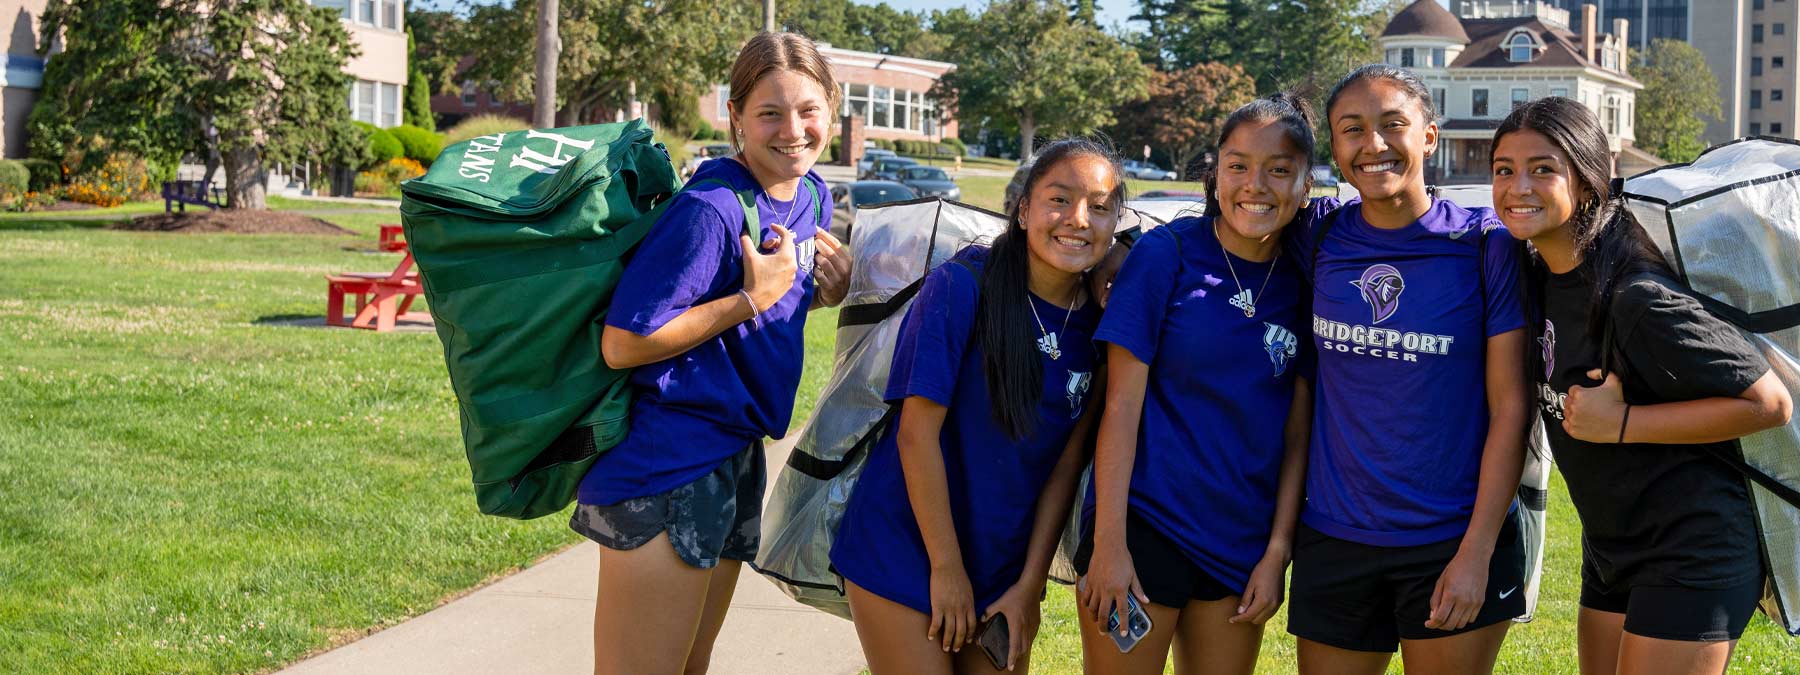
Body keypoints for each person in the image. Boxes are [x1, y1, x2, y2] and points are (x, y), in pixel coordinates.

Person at [572, 32, 852, 675]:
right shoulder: (711, 207)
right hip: (668, 461)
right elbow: (624, 343)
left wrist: (816, 295)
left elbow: (757, 304)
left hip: (735, 453)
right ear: (736, 118)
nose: (792, 130)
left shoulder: (810, 197)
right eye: (770, 113)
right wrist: (750, 300)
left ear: (832, 112)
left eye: (809, 110)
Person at [1491, 96, 1792, 675]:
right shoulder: (1534, 277)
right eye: (1504, 169)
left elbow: (1768, 403)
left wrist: (1620, 424)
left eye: (1542, 169)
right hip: (1611, 544)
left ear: (1588, 183)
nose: (1517, 186)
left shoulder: (1635, 297)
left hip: (1693, 548)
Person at [829, 138, 1126, 675]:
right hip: (907, 547)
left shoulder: (1104, 325)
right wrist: (945, 570)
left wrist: (1028, 588)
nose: (1078, 219)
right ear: (1024, 209)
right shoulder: (962, 286)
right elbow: (916, 436)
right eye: (1059, 199)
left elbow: (1064, 467)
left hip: (1003, 568)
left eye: (1099, 207)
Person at [1287, 64, 1529, 675]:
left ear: (1429, 136)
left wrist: (1475, 553)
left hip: (1453, 539)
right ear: (1334, 148)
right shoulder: (1316, 236)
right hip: (1335, 534)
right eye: (1351, 130)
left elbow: (1510, 408)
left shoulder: (1484, 246)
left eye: (1392, 124)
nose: (1372, 145)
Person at [1076, 93, 1321, 675]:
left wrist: (1276, 553)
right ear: (1216, 173)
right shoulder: (1167, 254)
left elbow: (1296, 436)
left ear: (1307, 183)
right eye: (1237, 165)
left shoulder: (1311, 277)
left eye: (1279, 169)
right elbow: (1121, 407)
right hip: (1144, 526)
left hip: (1242, 543)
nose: (1254, 185)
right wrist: (1109, 543)